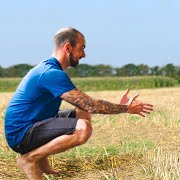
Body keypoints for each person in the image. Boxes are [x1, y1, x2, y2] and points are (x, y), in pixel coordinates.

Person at [4, 27, 153, 180]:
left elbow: (84, 106)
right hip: (21, 134)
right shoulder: (51, 74)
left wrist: (119, 105)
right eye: (81, 48)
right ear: (68, 48)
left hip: (30, 124)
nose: (84, 54)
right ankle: (29, 159)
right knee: (83, 128)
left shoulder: (49, 68)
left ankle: (42, 163)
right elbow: (90, 104)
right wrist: (126, 108)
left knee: (82, 113)